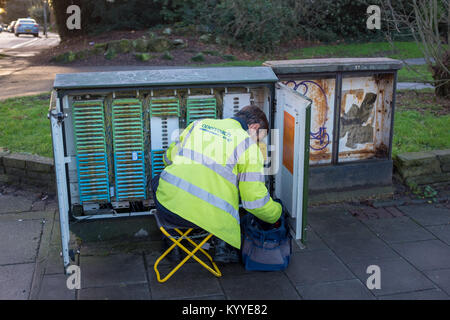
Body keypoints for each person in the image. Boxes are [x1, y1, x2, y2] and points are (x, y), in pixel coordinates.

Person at [151, 105, 282, 263]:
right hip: (207, 220)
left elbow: (168, 159)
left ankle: (172, 241)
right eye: (260, 137)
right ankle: (223, 246)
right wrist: (276, 213)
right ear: (254, 127)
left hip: (168, 211)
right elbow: (254, 202)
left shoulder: (198, 125)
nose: (258, 142)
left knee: (157, 181)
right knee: (230, 194)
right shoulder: (248, 145)